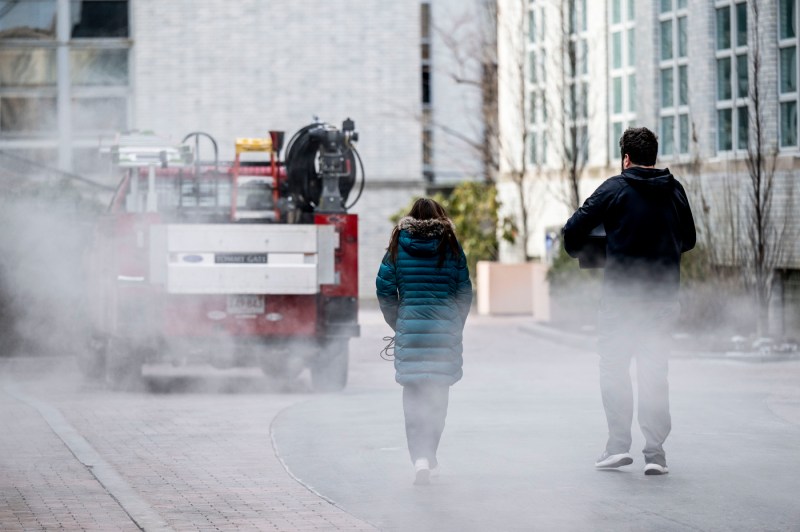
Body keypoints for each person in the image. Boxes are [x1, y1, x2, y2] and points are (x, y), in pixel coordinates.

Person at [562, 127, 696, 476]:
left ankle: (618, 446)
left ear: (626, 158)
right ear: (653, 155)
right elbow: (690, 239)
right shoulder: (675, 190)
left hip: (621, 300)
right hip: (663, 298)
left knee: (614, 369)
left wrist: (596, 252)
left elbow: (573, 230)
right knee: (654, 372)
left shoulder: (615, 188)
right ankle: (655, 453)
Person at [375, 198, 472, 485]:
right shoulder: (451, 245)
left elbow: (383, 289)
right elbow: (464, 291)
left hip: (411, 335)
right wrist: (455, 323)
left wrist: (399, 321)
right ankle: (429, 455)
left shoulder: (398, 244)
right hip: (444, 335)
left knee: (413, 398)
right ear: (440, 217)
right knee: (438, 401)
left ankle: (419, 459)